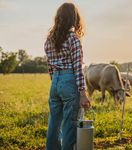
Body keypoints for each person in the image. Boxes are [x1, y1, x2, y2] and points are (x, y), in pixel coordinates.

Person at [44, 3, 91, 150]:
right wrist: (83, 94)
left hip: (55, 83)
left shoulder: (49, 40)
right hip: (69, 81)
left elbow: (50, 67)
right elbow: (78, 68)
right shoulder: (73, 39)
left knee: (54, 124)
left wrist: (56, 83)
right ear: (74, 18)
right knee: (70, 126)